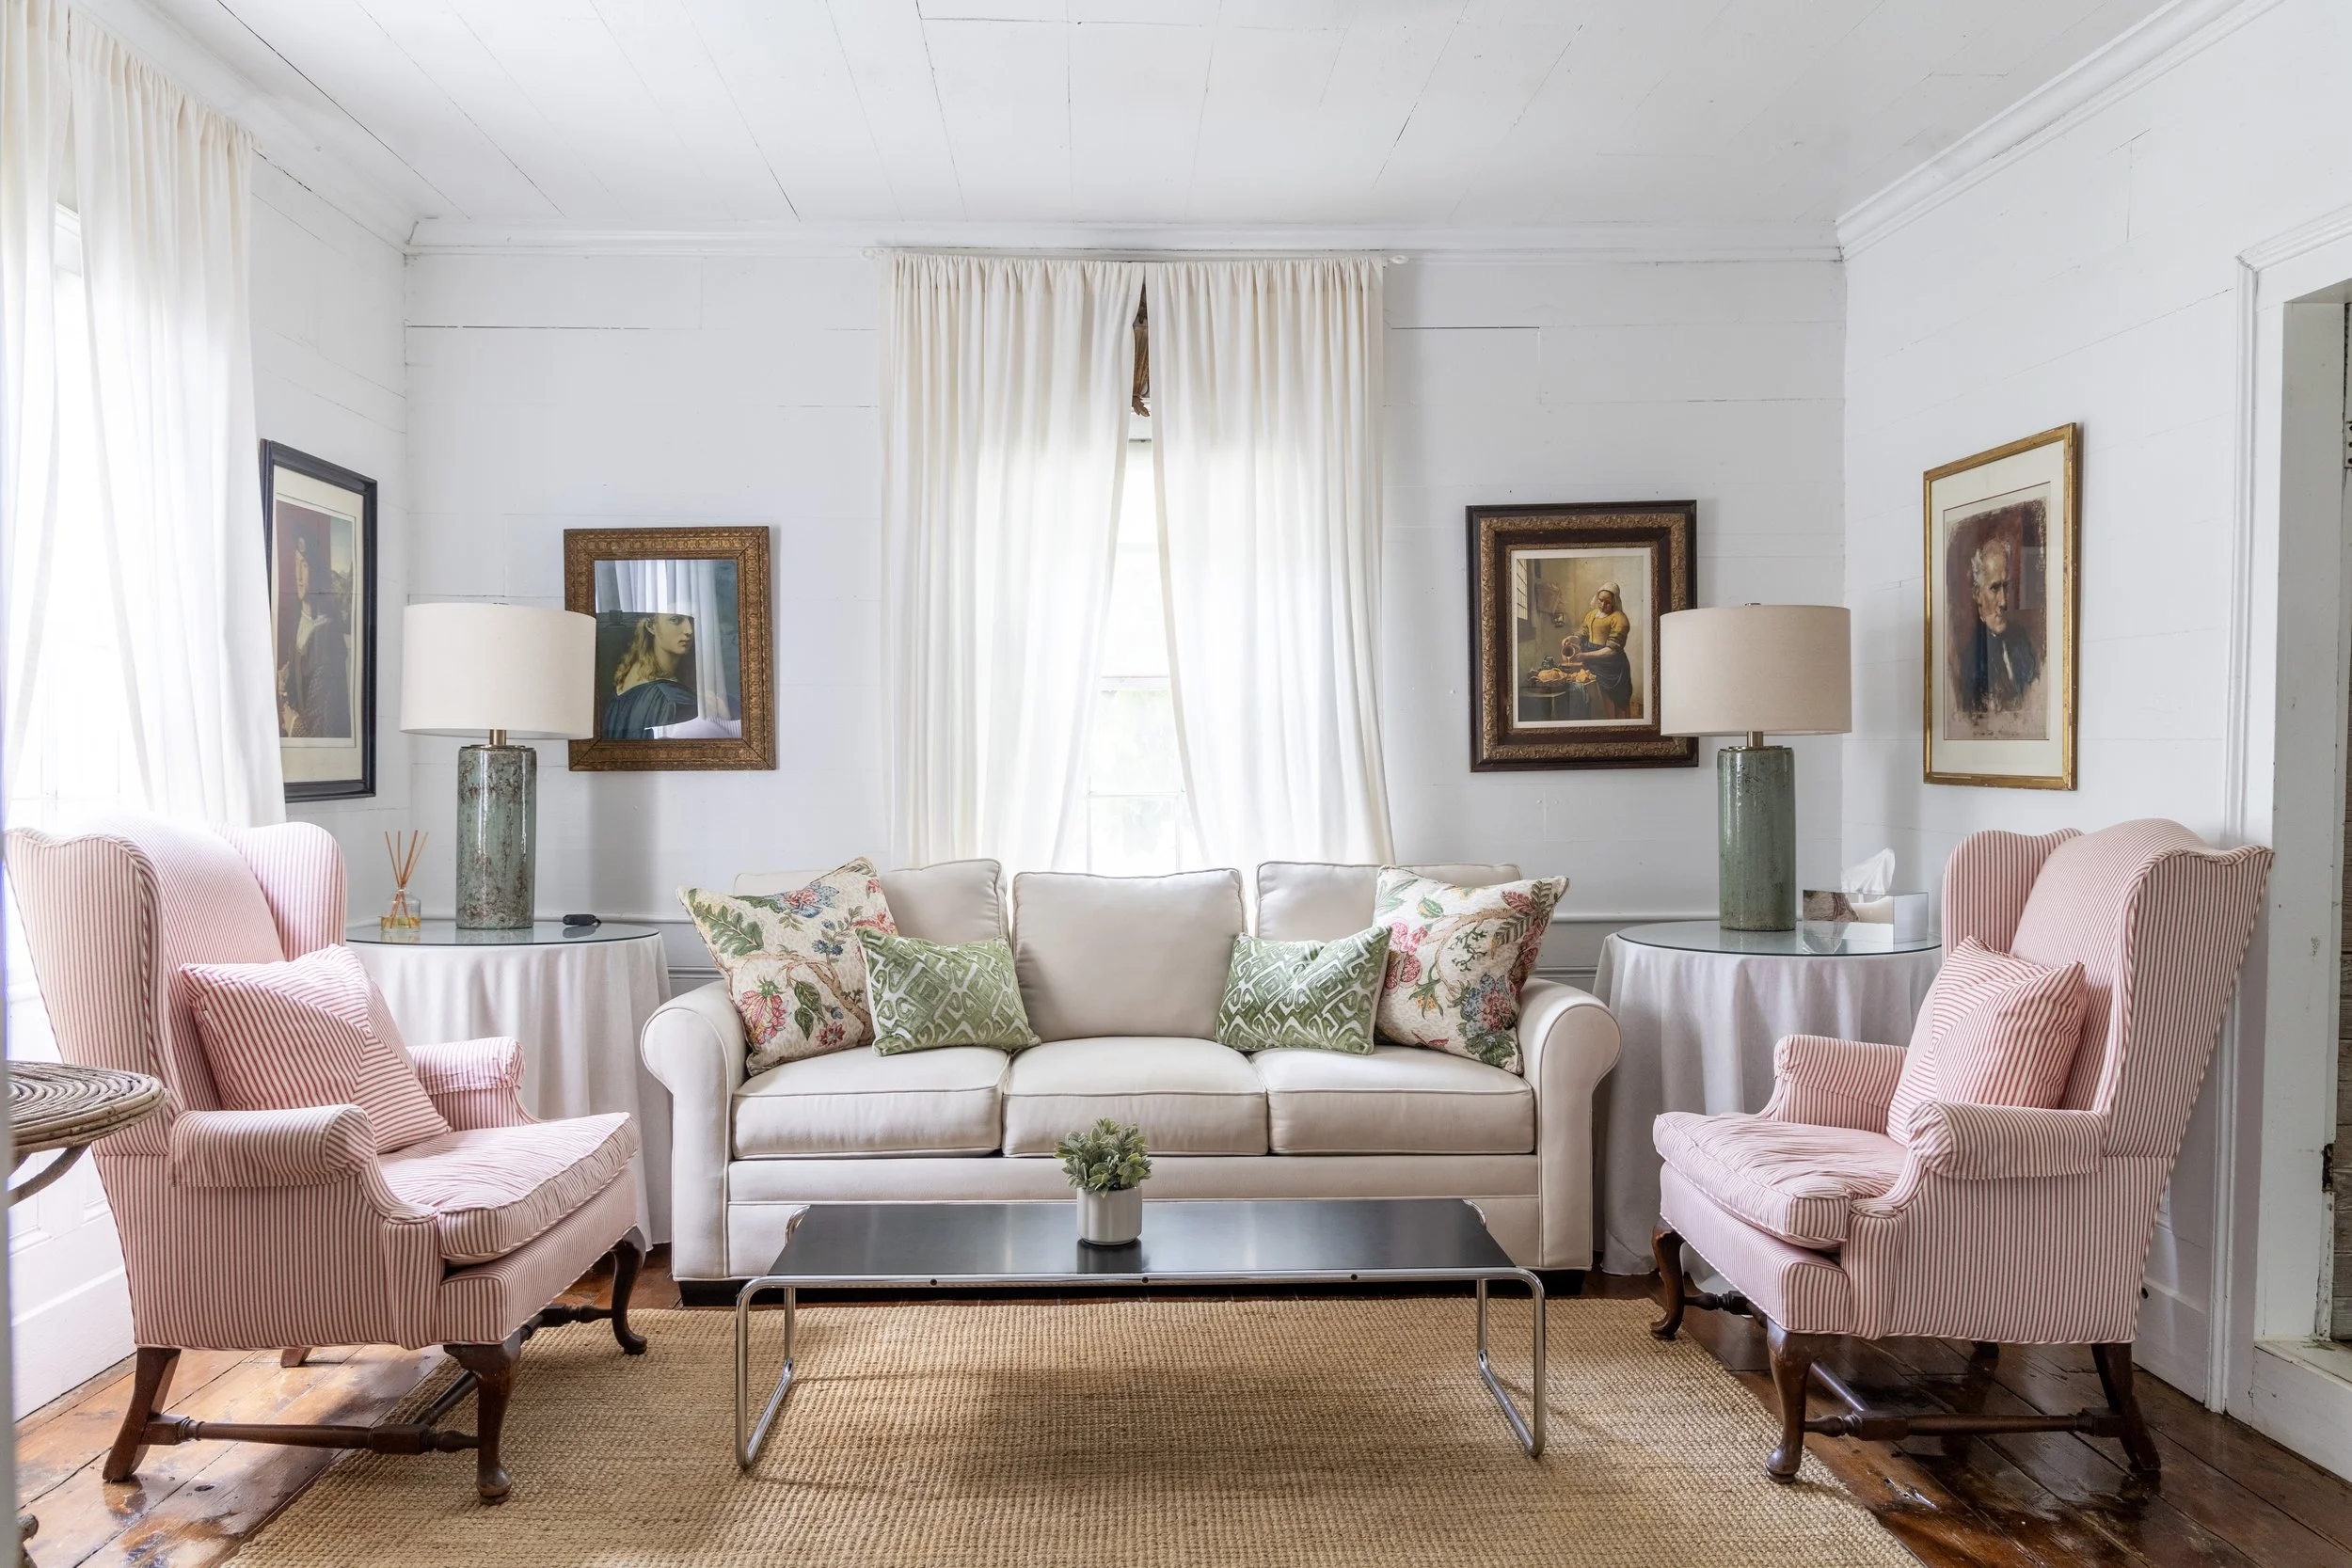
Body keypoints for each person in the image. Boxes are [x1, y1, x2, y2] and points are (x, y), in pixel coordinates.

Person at [276, 532, 350, 739]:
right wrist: (286, 673)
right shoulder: (298, 618)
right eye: (296, 563)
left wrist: (293, 724)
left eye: (305, 566)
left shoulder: (328, 638)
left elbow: (323, 729)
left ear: (315, 572)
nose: (298, 575)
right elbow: (302, 665)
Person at [1962, 538, 2040, 715]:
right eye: (1995, 588)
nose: (2004, 601)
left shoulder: (2021, 639)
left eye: (2006, 586)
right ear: (1977, 595)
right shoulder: (1969, 660)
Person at [602, 612, 698, 738]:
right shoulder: (672, 698)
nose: (689, 630)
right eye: (676, 620)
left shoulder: (631, 678)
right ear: (651, 626)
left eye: (691, 620)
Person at [1560, 582, 1635, 720]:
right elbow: (1582, 634)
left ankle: (1615, 730)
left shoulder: (1619, 618)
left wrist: (1585, 655)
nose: (1603, 604)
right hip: (1592, 664)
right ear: (1597, 598)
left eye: (1608, 602)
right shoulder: (1591, 615)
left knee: (1612, 701)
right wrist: (1572, 638)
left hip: (1612, 666)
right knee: (1595, 699)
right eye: (1601, 600)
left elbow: (1612, 650)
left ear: (1614, 602)